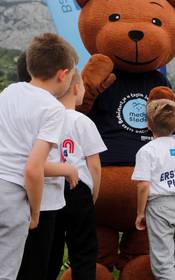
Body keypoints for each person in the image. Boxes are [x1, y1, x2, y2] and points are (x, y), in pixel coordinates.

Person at [0, 34, 77, 279]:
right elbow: (33, 168)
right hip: (13, 197)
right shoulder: (52, 108)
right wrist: (34, 213)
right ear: (63, 74)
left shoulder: (9, 92)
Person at [47, 71, 106, 280]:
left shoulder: (46, 118)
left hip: (49, 187)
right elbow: (95, 165)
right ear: (75, 88)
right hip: (78, 189)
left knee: (50, 249)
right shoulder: (82, 121)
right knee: (83, 249)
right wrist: (93, 194)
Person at [132, 99, 175, 279]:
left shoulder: (147, 151)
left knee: (162, 261)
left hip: (159, 206)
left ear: (148, 124)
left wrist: (140, 213)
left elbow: (143, 185)